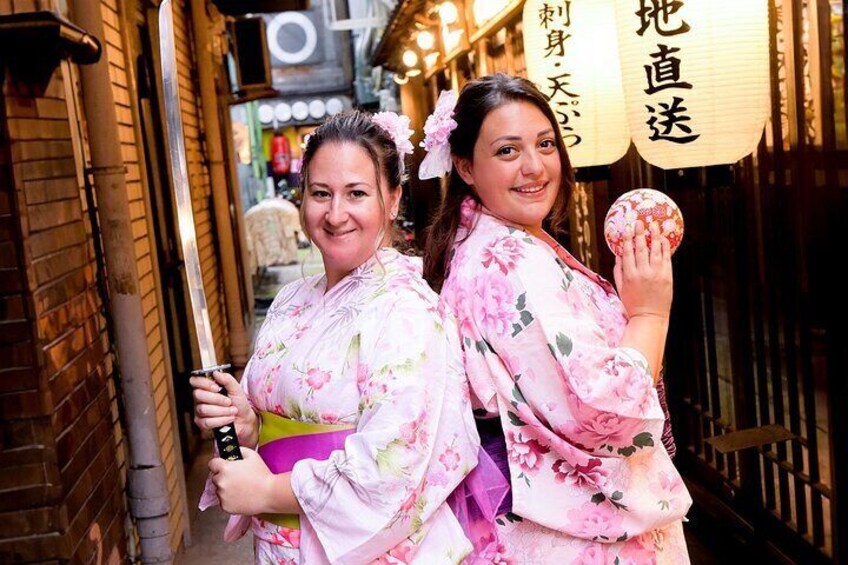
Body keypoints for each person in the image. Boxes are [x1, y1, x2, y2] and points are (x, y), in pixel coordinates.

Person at [421, 74, 692, 564]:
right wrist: (650, 313)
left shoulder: (493, 243)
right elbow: (600, 407)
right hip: (570, 539)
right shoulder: (507, 261)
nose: (535, 167)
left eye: (545, 144)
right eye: (507, 151)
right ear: (464, 166)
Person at [191, 110, 479, 564]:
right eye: (320, 193)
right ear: (301, 198)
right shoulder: (291, 301)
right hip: (282, 545)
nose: (335, 213)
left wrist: (267, 489)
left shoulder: (407, 310)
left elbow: (393, 468)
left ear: (392, 199)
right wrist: (247, 424)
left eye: (357, 193)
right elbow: (277, 427)